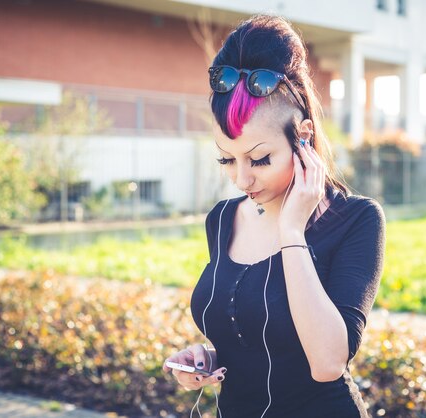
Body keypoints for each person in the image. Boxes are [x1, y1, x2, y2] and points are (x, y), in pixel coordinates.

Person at [162, 14, 385, 418]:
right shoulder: (223, 219)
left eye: (260, 159)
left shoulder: (357, 220)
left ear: (302, 137)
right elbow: (261, 336)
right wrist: (208, 359)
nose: (241, 178)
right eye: (226, 159)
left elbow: (327, 363)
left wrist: (292, 231)